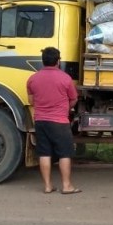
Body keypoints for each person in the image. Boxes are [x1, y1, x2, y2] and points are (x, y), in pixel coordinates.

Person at [26, 47, 81, 194]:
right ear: (58, 61)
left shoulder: (33, 79)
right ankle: (67, 186)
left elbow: (31, 101)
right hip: (59, 122)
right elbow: (74, 99)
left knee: (44, 153)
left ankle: (48, 186)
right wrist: (66, 108)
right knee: (64, 153)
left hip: (40, 121)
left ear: (42, 61)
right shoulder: (65, 78)